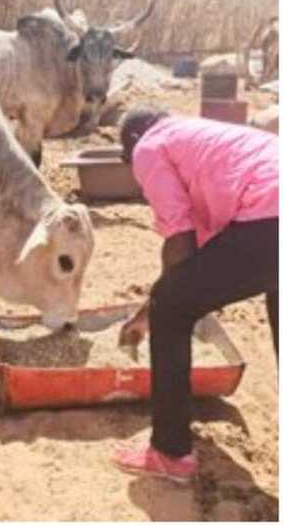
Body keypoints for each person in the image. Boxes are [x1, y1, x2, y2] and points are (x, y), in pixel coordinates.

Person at [114, 105, 278, 484]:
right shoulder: (202, 139)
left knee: (172, 309)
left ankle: (170, 452)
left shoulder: (149, 147)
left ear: (133, 143)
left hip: (270, 216)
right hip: (270, 207)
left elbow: (180, 243)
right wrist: (146, 312)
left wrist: (158, 309)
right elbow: (198, 264)